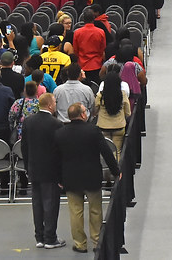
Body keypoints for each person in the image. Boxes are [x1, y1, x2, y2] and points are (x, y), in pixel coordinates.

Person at [56, 102, 120, 254]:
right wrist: (116, 171)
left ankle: (80, 244)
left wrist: (59, 178)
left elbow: (56, 158)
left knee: (75, 212)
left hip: (70, 179)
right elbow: (106, 152)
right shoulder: (93, 131)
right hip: (91, 177)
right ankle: (98, 241)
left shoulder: (60, 133)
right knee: (96, 211)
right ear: (83, 114)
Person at [22, 92, 65, 249]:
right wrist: (61, 176)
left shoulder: (28, 122)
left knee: (37, 204)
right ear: (50, 105)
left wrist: (27, 167)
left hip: (34, 168)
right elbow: (59, 151)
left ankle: (39, 237)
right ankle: (50, 238)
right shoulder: (56, 124)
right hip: (51, 170)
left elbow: (24, 147)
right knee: (51, 204)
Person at [95, 71, 132, 160]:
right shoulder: (122, 94)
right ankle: (117, 171)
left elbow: (95, 110)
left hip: (103, 127)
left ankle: (106, 171)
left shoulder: (100, 95)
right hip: (119, 127)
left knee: (105, 151)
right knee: (117, 151)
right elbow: (128, 112)